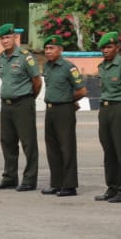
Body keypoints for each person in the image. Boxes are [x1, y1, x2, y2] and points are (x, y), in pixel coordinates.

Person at [0, 23, 41, 191]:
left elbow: (37, 81)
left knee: (28, 142)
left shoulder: (25, 57)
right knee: (7, 142)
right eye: (2, 38)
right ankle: (10, 177)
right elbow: (4, 79)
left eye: (7, 37)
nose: (5, 41)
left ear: (15, 37)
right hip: (6, 106)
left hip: (23, 103)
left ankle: (29, 179)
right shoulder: (1, 59)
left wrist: (29, 98)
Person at [94, 32, 121, 203]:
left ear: (117, 48)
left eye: (109, 47)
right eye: (103, 48)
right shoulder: (102, 66)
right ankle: (112, 187)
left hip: (118, 110)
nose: (105, 50)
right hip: (104, 110)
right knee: (109, 151)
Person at [39, 35, 86, 196]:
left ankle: (69, 185)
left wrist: (67, 100)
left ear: (60, 49)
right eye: (46, 49)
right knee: (52, 148)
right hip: (50, 109)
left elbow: (81, 90)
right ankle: (56, 183)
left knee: (67, 147)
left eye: (52, 48)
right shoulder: (47, 67)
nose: (48, 51)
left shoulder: (68, 67)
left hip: (64, 110)